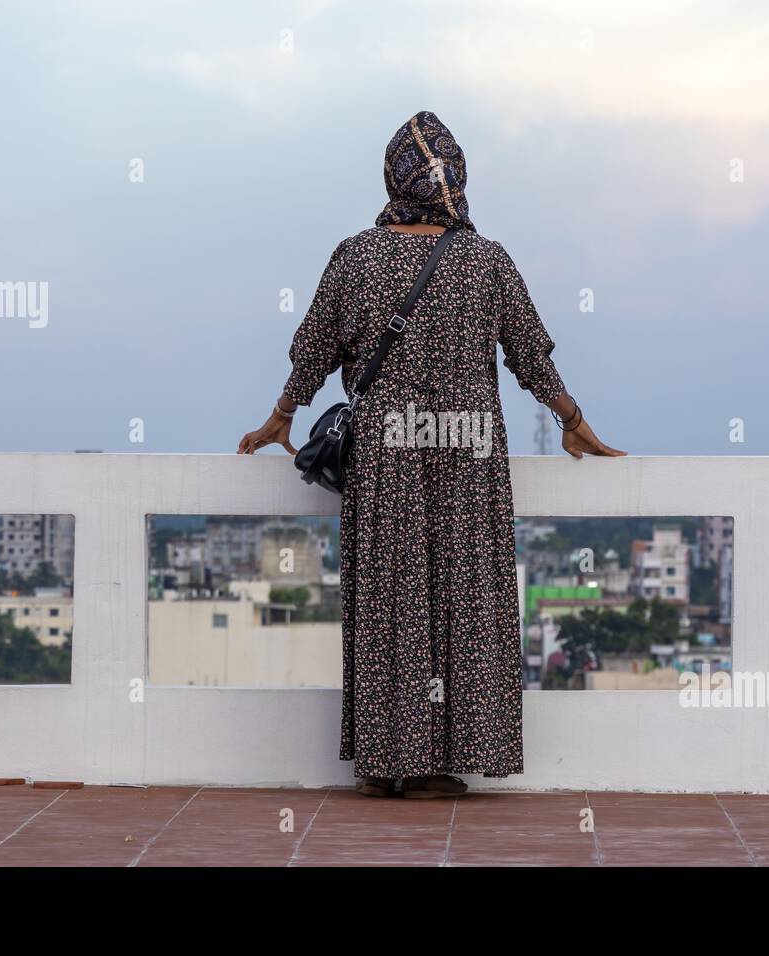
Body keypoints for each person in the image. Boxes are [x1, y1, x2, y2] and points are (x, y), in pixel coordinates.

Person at [238, 111, 624, 798]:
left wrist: (280, 416)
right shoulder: (486, 260)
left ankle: (389, 762)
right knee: (463, 602)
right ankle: (439, 762)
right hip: (470, 453)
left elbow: (313, 350)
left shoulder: (356, 255)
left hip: (388, 454)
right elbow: (532, 356)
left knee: (393, 601)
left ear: (394, 177)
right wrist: (574, 420)